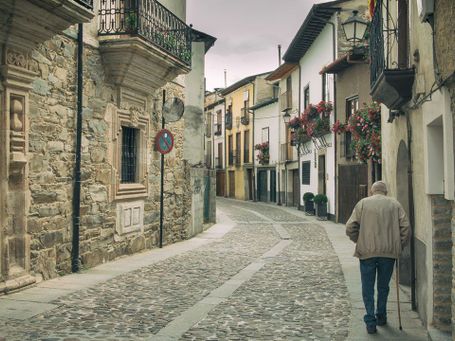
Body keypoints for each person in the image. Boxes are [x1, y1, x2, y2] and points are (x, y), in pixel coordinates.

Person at [346, 181, 410, 334]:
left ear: (371, 191)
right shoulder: (394, 204)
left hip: (367, 252)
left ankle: (370, 321)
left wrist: (358, 240)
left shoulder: (362, 204)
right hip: (388, 254)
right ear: (385, 191)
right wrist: (398, 245)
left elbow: (350, 227)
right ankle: (381, 316)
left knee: (367, 287)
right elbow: (406, 228)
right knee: (383, 287)